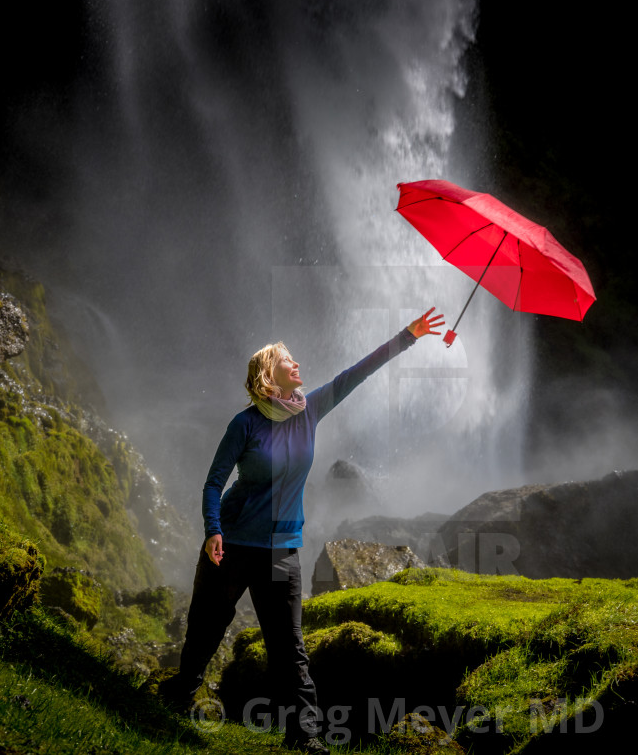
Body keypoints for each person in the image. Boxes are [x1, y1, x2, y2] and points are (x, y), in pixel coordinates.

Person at [159, 308, 445, 753]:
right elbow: (215, 481)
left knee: (290, 647)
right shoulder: (246, 423)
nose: (297, 365)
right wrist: (212, 530)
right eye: (287, 361)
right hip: (232, 545)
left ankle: (305, 735)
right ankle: (177, 695)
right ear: (269, 377)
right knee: (206, 630)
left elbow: (356, 375)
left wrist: (408, 336)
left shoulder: (309, 412)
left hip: (281, 551)